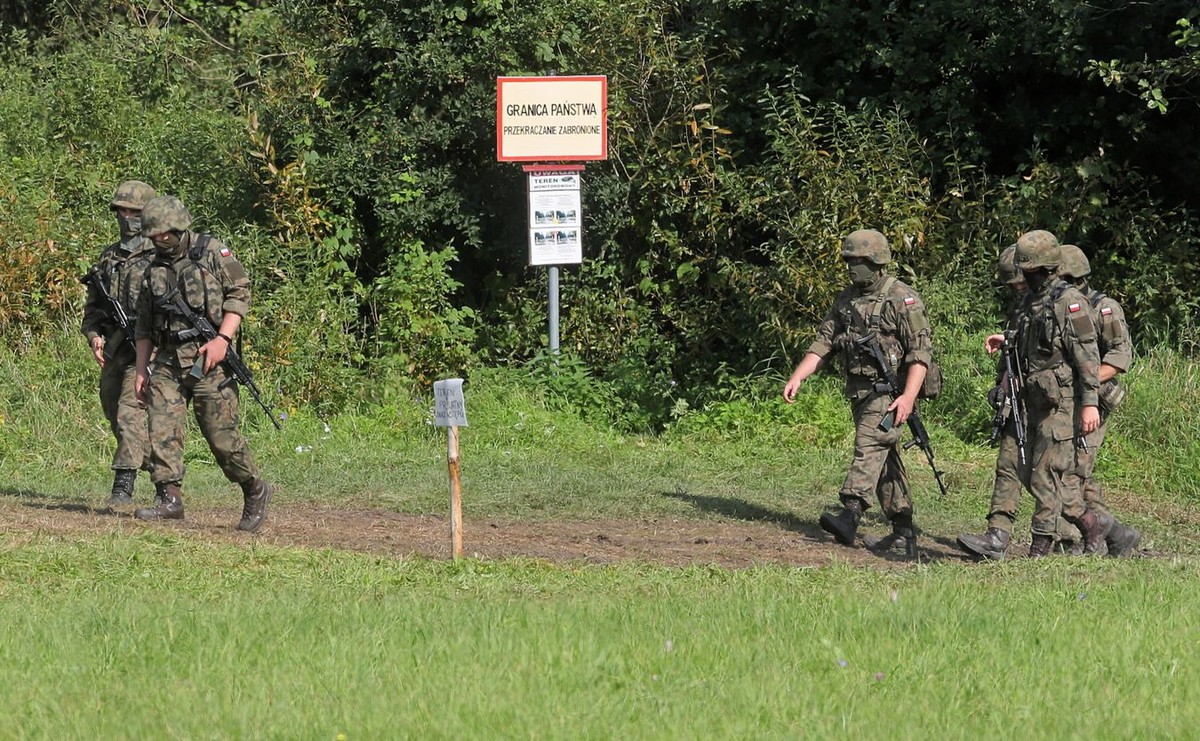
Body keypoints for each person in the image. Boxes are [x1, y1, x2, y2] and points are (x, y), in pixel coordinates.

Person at [782, 229, 934, 556]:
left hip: (892, 391)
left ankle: (851, 513)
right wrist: (798, 376)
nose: (853, 267)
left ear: (878, 261)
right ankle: (903, 526)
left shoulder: (902, 298)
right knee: (884, 457)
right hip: (859, 390)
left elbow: (920, 353)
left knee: (870, 443)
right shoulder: (846, 299)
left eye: (860, 261)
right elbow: (824, 342)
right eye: (849, 260)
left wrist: (908, 397)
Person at [132, 195, 274, 532]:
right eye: (154, 235)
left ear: (180, 226)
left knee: (221, 436)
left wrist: (222, 340)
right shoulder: (152, 268)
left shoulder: (211, 252)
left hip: (210, 357)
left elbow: (240, 293)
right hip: (168, 358)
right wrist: (141, 369)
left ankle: (254, 488)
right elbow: (143, 324)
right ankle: (169, 500)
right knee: (160, 429)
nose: (160, 239)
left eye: (165, 232)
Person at [980, 230, 1111, 557]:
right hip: (1031, 398)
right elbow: (1024, 349)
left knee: (1046, 473)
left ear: (1044, 268)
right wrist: (1005, 352)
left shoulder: (1071, 302)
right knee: (1022, 467)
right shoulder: (1028, 302)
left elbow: (1088, 358)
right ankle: (1092, 524)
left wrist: (1090, 405)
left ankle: (1041, 545)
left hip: (1062, 401)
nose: (1023, 277)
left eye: (1029, 270)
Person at [1056, 244, 1141, 556]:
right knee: (1075, 468)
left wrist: (1085, 381)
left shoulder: (1104, 308)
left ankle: (1076, 539)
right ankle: (1114, 534)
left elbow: (1120, 358)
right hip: (1066, 398)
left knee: (1076, 467)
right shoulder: (1058, 303)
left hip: (1095, 399)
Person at [80, 180, 157, 505]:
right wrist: (94, 336)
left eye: (134, 212)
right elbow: (93, 308)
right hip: (115, 349)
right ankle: (163, 470)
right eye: (122, 211)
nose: (127, 218)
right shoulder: (109, 257)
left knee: (129, 414)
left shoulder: (160, 256)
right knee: (114, 411)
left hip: (147, 349)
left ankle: (121, 489)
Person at [956, 244, 1029, 559]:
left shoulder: (1060, 303)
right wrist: (1002, 382)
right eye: (1012, 283)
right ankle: (997, 536)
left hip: (1054, 401)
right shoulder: (1025, 306)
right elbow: (1019, 350)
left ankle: (1094, 529)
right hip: (1023, 397)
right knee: (1009, 463)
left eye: (1019, 281)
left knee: (1056, 471)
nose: (1015, 288)